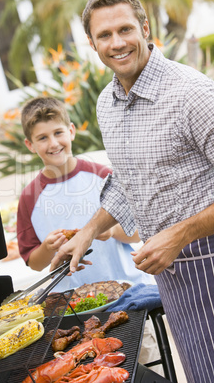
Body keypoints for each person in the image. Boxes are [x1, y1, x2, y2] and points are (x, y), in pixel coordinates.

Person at [50, 0, 214, 383]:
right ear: (91, 43)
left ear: (145, 28)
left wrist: (176, 236)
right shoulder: (107, 102)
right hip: (166, 272)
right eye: (104, 35)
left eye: (125, 29)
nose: (117, 43)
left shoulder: (192, 94)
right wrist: (88, 232)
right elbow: (129, 179)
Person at [17, 96, 154, 292]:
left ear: (71, 131)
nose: (54, 143)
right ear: (30, 145)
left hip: (127, 287)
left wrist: (113, 231)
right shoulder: (29, 197)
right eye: (42, 138)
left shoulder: (103, 176)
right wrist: (47, 248)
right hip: (73, 298)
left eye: (58, 133)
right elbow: (34, 263)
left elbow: (139, 234)